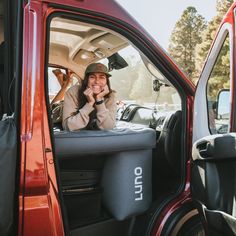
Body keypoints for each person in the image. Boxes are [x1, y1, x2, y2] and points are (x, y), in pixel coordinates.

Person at [62, 63, 116, 131]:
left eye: (101, 77)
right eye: (92, 77)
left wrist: (99, 101)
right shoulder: (73, 92)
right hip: (77, 138)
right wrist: (90, 103)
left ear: (106, 81)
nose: (97, 81)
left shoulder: (111, 96)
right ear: (86, 80)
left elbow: (108, 128)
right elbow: (68, 127)